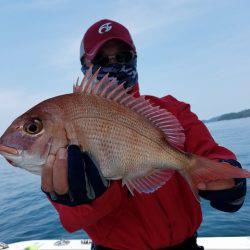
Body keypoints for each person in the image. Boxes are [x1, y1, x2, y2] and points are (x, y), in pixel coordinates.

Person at [41, 19, 246, 250]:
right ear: (84, 66)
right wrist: (85, 199)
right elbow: (71, 219)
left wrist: (229, 180)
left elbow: (211, 154)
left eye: (123, 56)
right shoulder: (62, 132)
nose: (115, 64)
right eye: (101, 60)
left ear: (135, 58)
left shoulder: (171, 110)